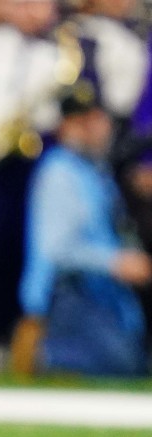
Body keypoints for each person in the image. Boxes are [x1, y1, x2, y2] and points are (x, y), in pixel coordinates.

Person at [16, 81, 152, 376]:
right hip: (67, 296)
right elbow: (56, 250)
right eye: (84, 122)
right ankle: (49, 354)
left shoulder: (94, 172)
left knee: (133, 361)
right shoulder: (59, 173)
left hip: (101, 295)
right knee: (122, 365)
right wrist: (116, 262)